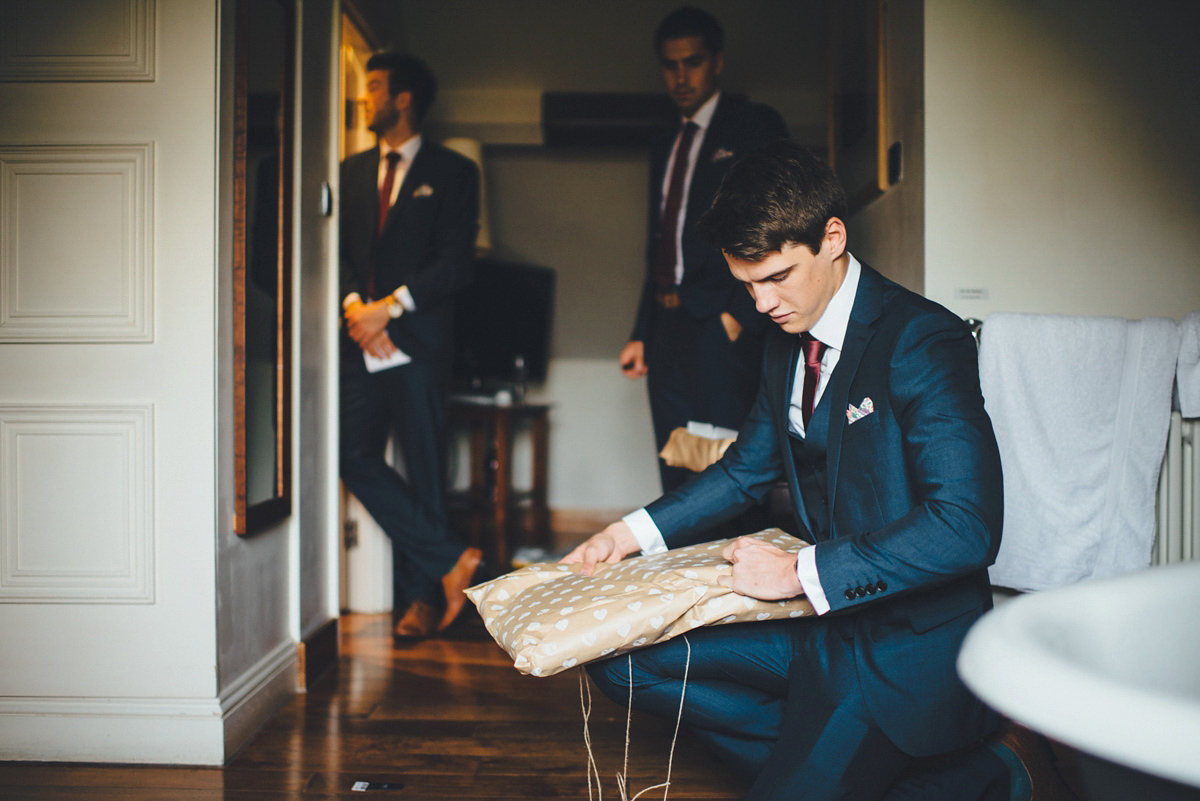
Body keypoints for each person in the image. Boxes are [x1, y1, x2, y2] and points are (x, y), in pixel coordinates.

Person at [565, 141, 1075, 800]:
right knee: (621, 662)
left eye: (777, 276)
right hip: (818, 630)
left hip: (904, 652)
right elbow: (745, 470)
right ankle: (890, 772)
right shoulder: (784, 340)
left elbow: (967, 526)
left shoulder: (919, 339)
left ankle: (985, 770)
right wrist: (626, 534)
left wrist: (795, 572)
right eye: (747, 285)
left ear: (832, 238)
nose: (762, 303)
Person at [339, 52, 482, 640]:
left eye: (372, 87)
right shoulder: (348, 171)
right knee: (354, 456)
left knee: (425, 469)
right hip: (356, 340)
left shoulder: (453, 170)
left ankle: (421, 601)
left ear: (402, 98)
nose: (364, 98)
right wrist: (356, 310)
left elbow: (456, 263)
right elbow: (339, 254)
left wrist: (389, 308)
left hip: (418, 341)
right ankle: (451, 559)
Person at [622, 6, 788, 493]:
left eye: (692, 62)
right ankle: (681, 569)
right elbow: (662, 240)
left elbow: (776, 217)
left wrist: (740, 315)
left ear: (716, 62)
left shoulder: (753, 125)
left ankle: (736, 568)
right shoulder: (664, 142)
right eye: (670, 65)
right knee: (675, 464)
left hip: (721, 321)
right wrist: (640, 331)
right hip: (665, 325)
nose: (680, 75)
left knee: (728, 463)